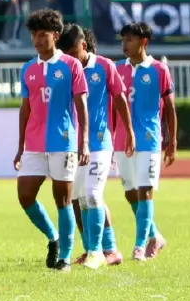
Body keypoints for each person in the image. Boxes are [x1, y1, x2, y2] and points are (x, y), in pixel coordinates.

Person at [14, 9, 89, 273]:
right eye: (34, 34)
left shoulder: (71, 66)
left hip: (63, 141)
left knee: (63, 200)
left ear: (55, 35)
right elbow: (25, 108)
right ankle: (53, 237)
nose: (37, 40)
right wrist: (20, 145)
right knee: (25, 196)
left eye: (42, 34)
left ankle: (65, 258)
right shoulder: (28, 68)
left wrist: (84, 141)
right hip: (34, 144)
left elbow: (81, 105)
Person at [58, 24, 128, 269]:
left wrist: (129, 132)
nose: (69, 58)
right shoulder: (64, 69)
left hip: (99, 142)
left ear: (83, 46)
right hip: (71, 144)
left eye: (72, 52)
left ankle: (101, 251)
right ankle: (96, 249)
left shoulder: (105, 66)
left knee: (93, 194)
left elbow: (120, 98)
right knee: (78, 199)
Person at [114, 23, 177, 261]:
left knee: (145, 190)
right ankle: (155, 236)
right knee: (130, 193)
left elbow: (169, 108)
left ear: (144, 42)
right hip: (122, 140)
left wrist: (172, 142)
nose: (124, 44)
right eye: (123, 40)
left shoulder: (159, 69)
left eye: (129, 40)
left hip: (149, 139)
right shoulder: (117, 69)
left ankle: (140, 246)